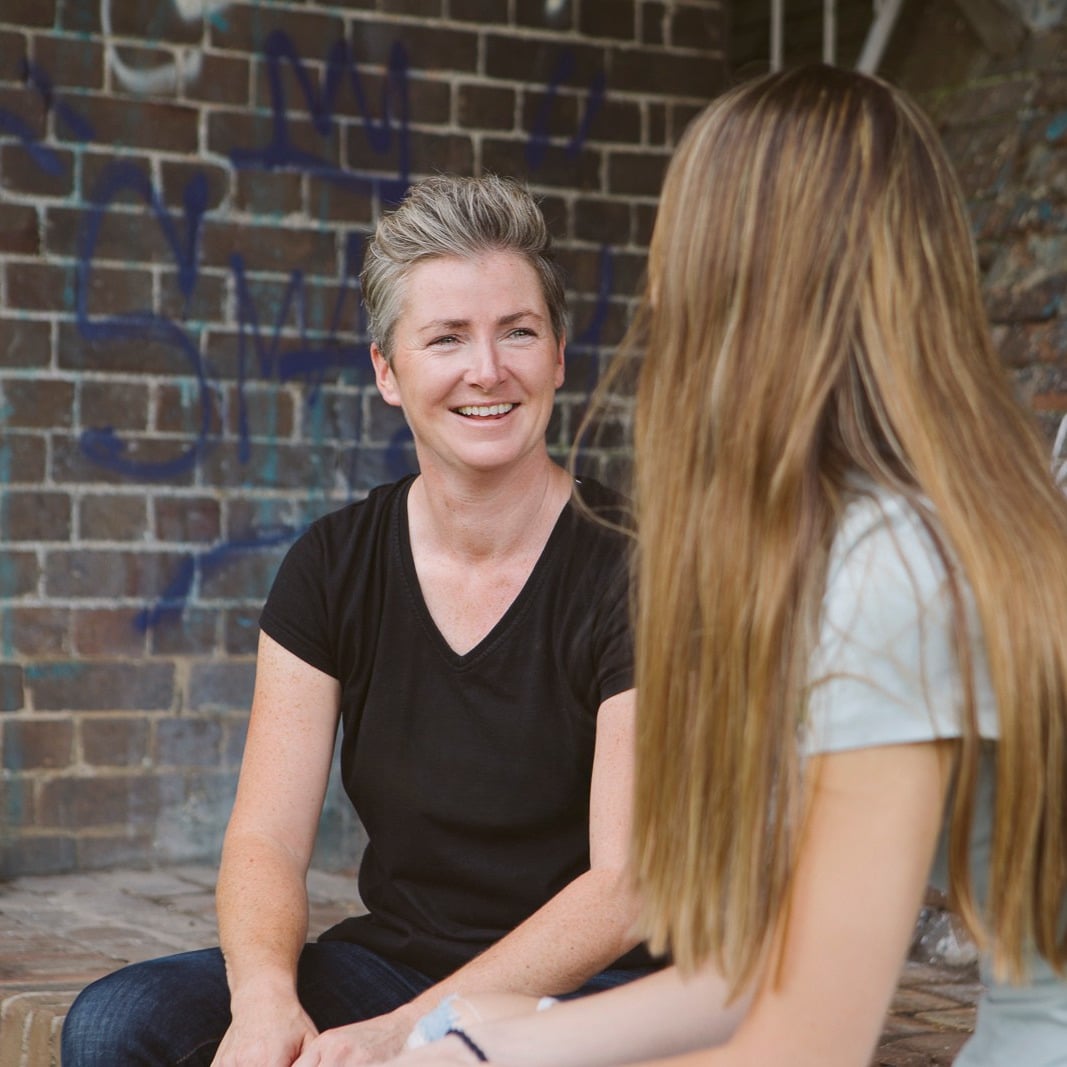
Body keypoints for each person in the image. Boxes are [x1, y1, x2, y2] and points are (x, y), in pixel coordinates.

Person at [378, 64, 1067, 1067]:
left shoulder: (892, 573)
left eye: (680, 242)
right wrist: (504, 1035)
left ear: (746, 276)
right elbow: (751, 968)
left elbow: (807, 1042)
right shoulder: (908, 527)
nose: (662, 287)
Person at [61, 174, 657, 1067]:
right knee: (116, 1024)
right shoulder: (332, 566)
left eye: (518, 332)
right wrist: (265, 996)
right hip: (394, 962)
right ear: (388, 370)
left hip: (589, 987)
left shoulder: (634, 567)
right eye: (446, 338)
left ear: (559, 355)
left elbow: (622, 887)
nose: (486, 370)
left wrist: (415, 1031)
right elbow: (263, 838)